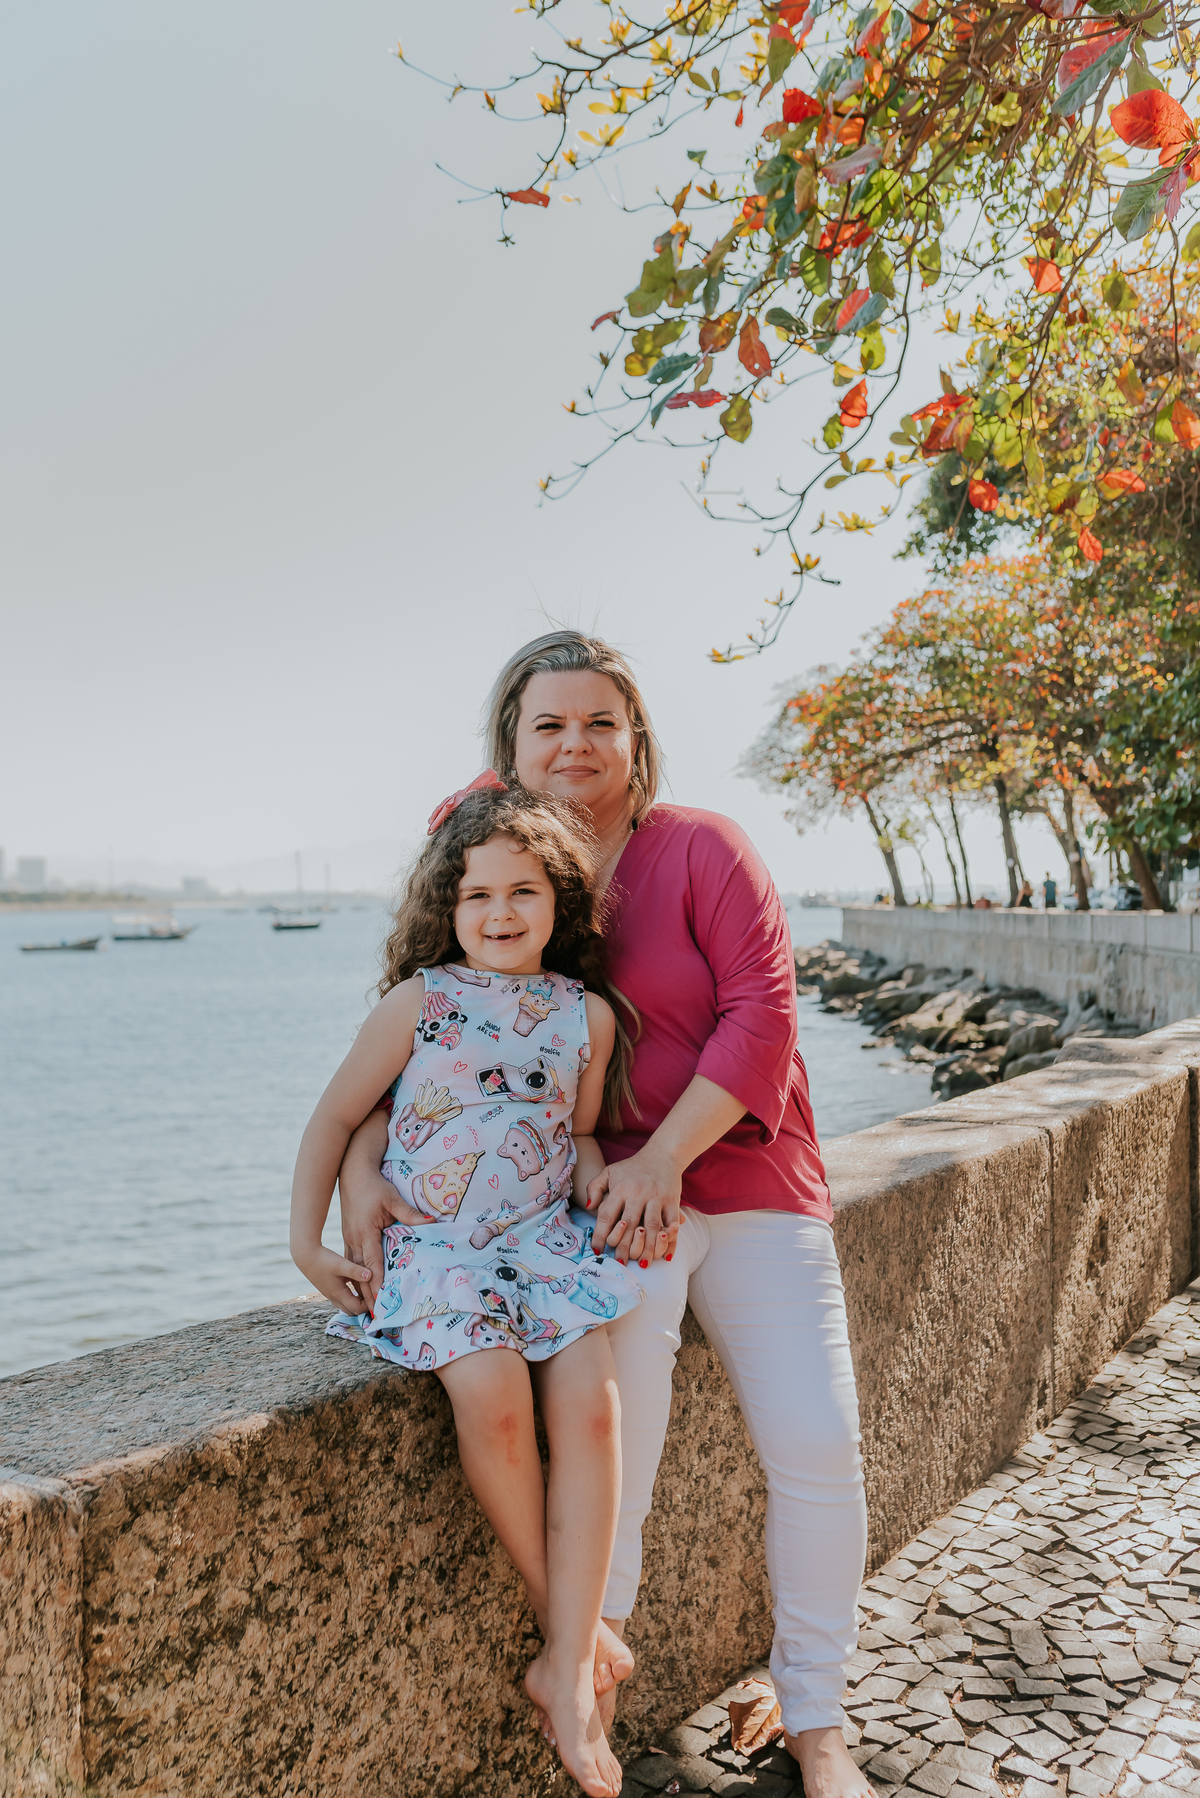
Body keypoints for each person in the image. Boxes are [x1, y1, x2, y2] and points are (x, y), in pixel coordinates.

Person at [340, 631, 874, 1798]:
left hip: (740, 1179)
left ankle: (821, 1718)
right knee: (610, 1442)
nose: (574, 743)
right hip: (595, 1206)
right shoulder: (491, 849)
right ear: (509, 747)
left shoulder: (703, 849)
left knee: (821, 1446)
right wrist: (359, 1173)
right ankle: (589, 1680)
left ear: (636, 738)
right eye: (548, 724)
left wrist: (665, 1155)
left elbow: (763, 1017)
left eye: (599, 722)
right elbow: (423, 1036)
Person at [290, 780, 644, 1798]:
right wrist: (304, 1244)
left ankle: (563, 1660)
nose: (498, 913)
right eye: (476, 895)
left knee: (592, 1408)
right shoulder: (421, 1003)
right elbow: (333, 1118)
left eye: (523, 892)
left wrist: (600, 1184)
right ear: (447, 908)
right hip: (437, 1247)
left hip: (542, 1242)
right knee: (489, 1397)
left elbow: (571, 1136)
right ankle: (571, 1647)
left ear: (558, 903)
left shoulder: (587, 1017)